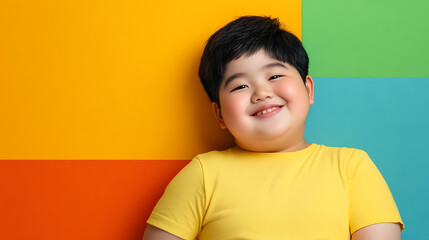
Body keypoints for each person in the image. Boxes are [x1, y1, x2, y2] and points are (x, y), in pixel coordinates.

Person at [142, 16, 404, 240]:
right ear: (219, 114)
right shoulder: (202, 174)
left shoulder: (351, 166)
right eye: (239, 86)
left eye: (275, 76)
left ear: (308, 89)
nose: (261, 93)